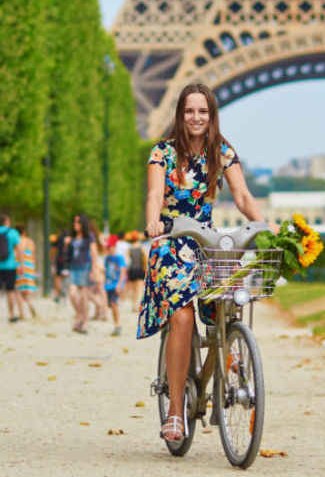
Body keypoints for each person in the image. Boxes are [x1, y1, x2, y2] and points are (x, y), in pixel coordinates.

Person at [139, 83, 271, 442]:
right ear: (180, 114)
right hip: (170, 243)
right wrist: (154, 222)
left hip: (206, 244)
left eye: (203, 111)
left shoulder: (222, 152)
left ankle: (230, 364)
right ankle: (176, 410)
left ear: (212, 116)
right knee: (182, 317)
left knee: (226, 307)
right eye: (189, 111)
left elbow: (242, 194)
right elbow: (154, 194)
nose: (196, 118)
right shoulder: (161, 154)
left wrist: (264, 226)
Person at [64, 213, 101, 334]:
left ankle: (84, 322)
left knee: (85, 297)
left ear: (83, 224)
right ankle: (79, 316)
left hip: (85, 267)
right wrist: (66, 244)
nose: (75, 224)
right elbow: (67, 254)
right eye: (74, 221)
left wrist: (93, 270)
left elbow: (94, 253)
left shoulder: (89, 236)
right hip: (74, 267)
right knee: (73, 294)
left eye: (78, 222)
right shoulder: (72, 236)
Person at [103, 237, 128, 336]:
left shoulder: (119, 258)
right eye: (107, 247)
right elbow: (106, 271)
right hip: (108, 285)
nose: (108, 249)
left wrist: (119, 284)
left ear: (114, 246)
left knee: (113, 304)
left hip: (115, 284)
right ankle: (115, 324)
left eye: (110, 247)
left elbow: (123, 271)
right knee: (111, 305)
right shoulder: (107, 258)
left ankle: (118, 325)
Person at [13, 225, 38, 320]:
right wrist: (33, 267)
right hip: (29, 265)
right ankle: (30, 303)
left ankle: (21, 313)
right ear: (24, 231)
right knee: (25, 291)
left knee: (18, 290)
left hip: (19, 264)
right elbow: (33, 254)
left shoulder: (16, 240)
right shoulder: (29, 241)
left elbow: (15, 253)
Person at [124, 231, 147, 311]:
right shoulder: (142, 247)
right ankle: (138, 305)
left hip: (132, 270)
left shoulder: (129, 249)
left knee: (133, 289)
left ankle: (133, 305)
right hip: (140, 269)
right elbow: (145, 258)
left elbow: (126, 261)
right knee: (139, 289)